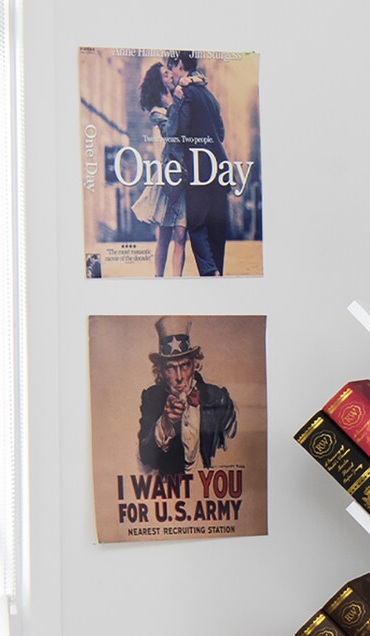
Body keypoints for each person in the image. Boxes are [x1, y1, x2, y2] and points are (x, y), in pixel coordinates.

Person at [137, 317, 238, 475]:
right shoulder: (151, 398)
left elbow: (233, 453)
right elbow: (146, 456)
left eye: (185, 365)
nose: (179, 377)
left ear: (195, 364)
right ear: (161, 371)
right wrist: (165, 421)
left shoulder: (219, 398)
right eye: (170, 368)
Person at [164, 51, 228, 277]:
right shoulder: (210, 96)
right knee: (216, 226)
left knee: (197, 224)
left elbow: (180, 132)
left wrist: (177, 104)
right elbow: (220, 133)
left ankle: (210, 272)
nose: (170, 72)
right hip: (220, 168)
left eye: (171, 67)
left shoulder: (186, 94)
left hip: (199, 169)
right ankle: (218, 270)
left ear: (180, 64)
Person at [130, 62, 187, 278]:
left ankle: (177, 281)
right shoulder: (157, 110)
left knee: (181, 234)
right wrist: (175, 104)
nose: (171, 76)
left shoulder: (180, 94)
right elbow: (171, 134)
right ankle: (158, 278)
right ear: (159, 80)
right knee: (164, 235)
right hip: (169, 175)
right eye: (166, 74)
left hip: (186, 171)